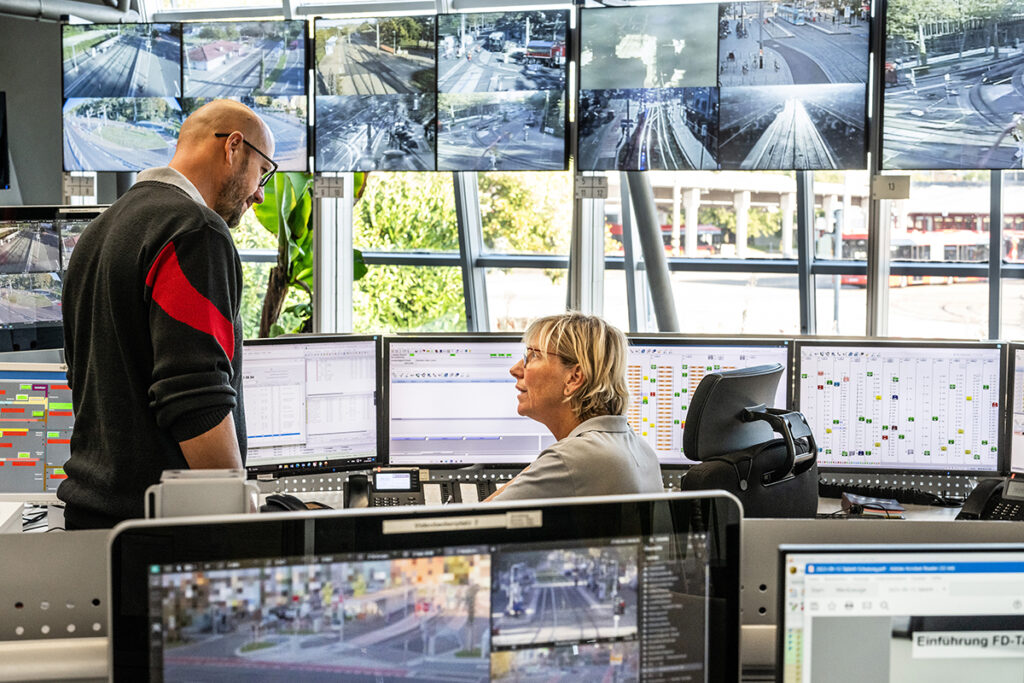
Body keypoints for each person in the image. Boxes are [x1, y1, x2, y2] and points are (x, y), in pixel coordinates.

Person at [58, 99, 276, 529]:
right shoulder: (194, 230)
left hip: (93, 519)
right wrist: (248, 526)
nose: (260, 192)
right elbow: (197, 401)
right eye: (263, 171)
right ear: (233, 147)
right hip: (164, 535)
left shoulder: (99, 231)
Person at [487, 312, 663, 501]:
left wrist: (548, 462)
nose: (514, 369)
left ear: (574, 378)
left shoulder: (570, 458)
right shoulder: (641, 449)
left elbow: (466, 523)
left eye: (533, 355)